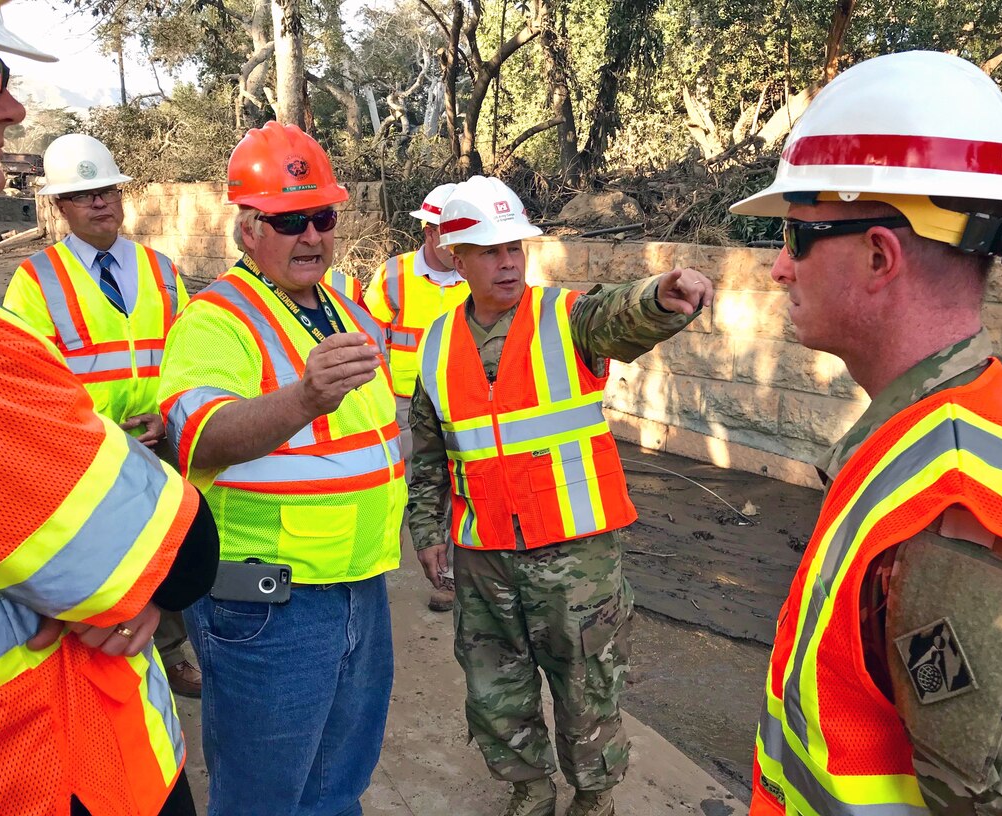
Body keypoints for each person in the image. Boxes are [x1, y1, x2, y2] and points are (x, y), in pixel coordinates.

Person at [729, 50, 1002, 815]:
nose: (779, 269)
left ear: (878, 255)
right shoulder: (954, 432)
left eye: (797, 237)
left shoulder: (954, 513)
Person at [0, 6, 219, 815]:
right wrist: (126, 551)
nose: (12, 107)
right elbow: (177, 556)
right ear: (61, 209)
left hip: (108, 483)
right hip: (34, 764)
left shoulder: (164, 273)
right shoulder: (12, 300)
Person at [407, 175, 714, 816]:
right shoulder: (436, 341)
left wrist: (658, 296)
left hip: (575, 552)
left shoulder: (564, 316)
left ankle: (594, 798)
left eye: (515, 247)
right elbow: (430, 451)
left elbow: (616, 315)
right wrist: (430, 533)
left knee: (587, 680)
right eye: (490, 251)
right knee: (496, 685)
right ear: (454, 256)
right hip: (483, 551)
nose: (508, 261)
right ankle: (529, 790)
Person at [157, 120, 406, 816]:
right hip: (267, 603)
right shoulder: (217, 320)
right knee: (264, 795)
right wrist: (304, 396)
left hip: (358, 584)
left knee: (338, 784)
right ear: (247, 230)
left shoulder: (345, 307)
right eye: (290, 220)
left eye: (322, 217)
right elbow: (199, 437)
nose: (312, 236)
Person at [2, 133, 203, 699]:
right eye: (84, 194)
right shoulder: (36, 279)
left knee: (169, 544)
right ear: (60, 207)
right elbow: (31, 374)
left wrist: (170, 413)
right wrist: (85, 430)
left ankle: (173, 648)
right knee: (107, 555)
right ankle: (118, 654)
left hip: (162, 438)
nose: (100, 203)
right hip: (89, 447)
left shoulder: (161, 269)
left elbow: (189, 353)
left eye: (107, 190)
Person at [364, 182, 470, 611]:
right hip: (402, 405)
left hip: (462, 402)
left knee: (457, 489)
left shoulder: (475, 271)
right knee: (394, 486)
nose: (462, 245)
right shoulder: (393, 275)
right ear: (429, 231)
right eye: (452, 234)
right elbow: (369, 338)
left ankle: (447, 579)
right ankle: (373, 566)